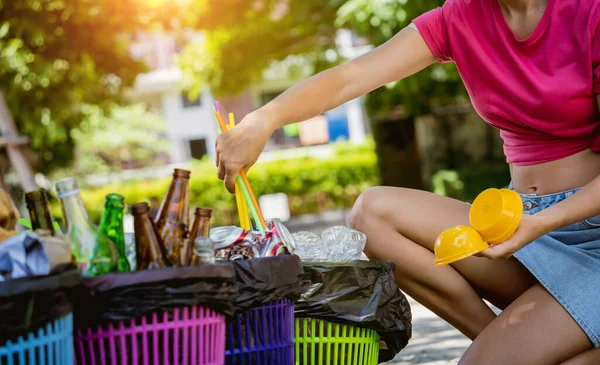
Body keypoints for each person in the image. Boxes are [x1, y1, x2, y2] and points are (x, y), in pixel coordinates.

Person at [215, 0, 600, 363]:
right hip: (523, 231)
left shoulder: (589, 14)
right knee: (373, 211)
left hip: (591, 245)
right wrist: (263, 119)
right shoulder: (461, 17)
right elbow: (352, 77)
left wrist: (542, 223)